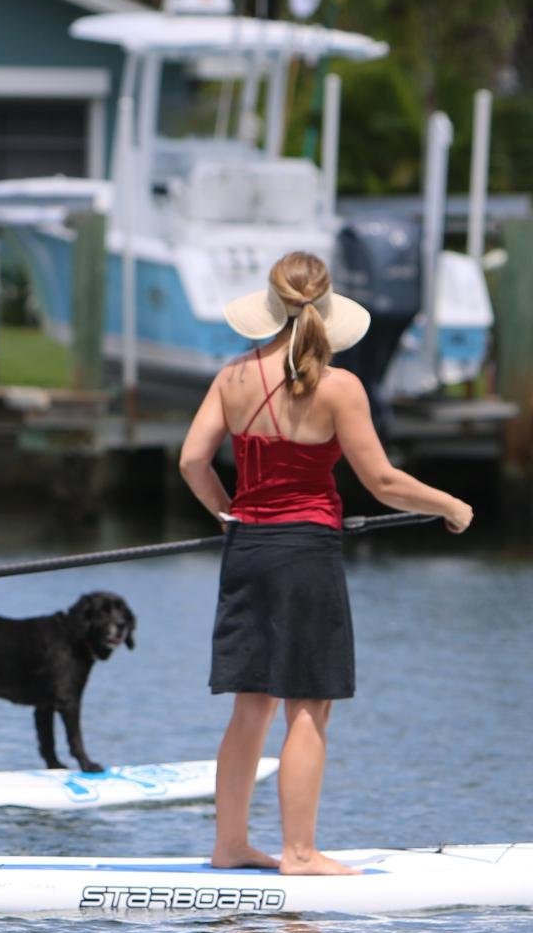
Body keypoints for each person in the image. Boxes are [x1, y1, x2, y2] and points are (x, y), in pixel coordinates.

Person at [178, 250, 472, 874]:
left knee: (250, 703)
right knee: (309, 704)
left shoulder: (231, 378)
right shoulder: (339, 388)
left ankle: (230, 845)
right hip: (306, 554)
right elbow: (384, 482)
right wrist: (450, 504)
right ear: (328, 309)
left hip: (247, 552)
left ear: (270, 305)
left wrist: (226, 512)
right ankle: (300, 852)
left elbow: (191, 462)